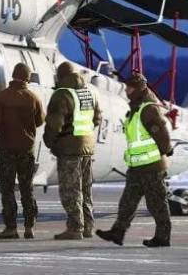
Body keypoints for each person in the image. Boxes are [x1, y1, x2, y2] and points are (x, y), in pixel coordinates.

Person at [96, 72, 174, 247]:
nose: (127, 90)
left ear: (139, 89)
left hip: (152, 167)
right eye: (126, 87)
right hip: (138, 167)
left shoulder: (148, 109)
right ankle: (118, 232)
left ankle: (163, 237)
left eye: (130, 87)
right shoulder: (136, 109)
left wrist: (165, 152)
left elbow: (162, 134)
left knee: (157, 204)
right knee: (127, 202)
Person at [0, 63, 46, 239]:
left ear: (13, 75)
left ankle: (10, 228)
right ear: (27, 77)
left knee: (8, 189)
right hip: (27, 150)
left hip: (6, 150)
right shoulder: (33, 98)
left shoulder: (2, 97)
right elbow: (40, 121)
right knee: (27, 188)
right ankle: (29, 227)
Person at [44, 62, 102, 240]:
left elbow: (55, 124)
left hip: (69, 150)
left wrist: (50, 142)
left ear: (60, 76)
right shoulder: (90, 92)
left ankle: (75, 228)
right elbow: (97, 118)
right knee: (85, 189)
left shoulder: (62, 95)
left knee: (71, 190)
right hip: (87, 148)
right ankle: (88, 226)